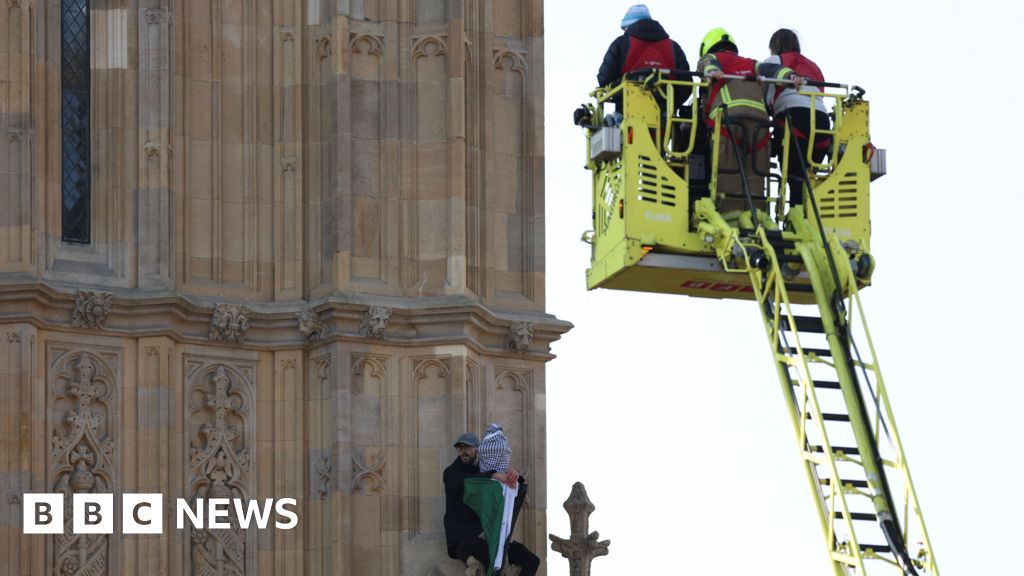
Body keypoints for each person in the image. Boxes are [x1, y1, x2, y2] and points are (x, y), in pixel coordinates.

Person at [697, 27, 797, 214]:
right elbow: (771, 70)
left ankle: (732, 217)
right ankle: (757, 216)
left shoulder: (712, 58)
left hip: (728, 123)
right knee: (755, 176)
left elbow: (707, 65)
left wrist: (713, 71)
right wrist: (790, 76)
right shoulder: (751, 63)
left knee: (729, 175)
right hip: (760, 124)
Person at [444, 432, 539, 576]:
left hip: (490, 535)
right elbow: (469, 481)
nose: (463, 451)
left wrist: (514, 473)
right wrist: (494, 475)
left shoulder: (486, 471)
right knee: (493, 561)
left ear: (478, 449)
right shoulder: (451, 473)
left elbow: (514, 484)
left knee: (531, 561)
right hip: (464, 538)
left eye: (467, 447)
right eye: (460, 448)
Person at [763, 28, 832, 206]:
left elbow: (764, 98)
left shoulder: (774, 62)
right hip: (822, 123)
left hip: (794, 118)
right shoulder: (814, 67)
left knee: (794, 174)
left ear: (774, 46)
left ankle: (795, 215)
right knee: (807, 176)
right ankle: (804, 214)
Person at [597, 4, 692, 110]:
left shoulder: (621, 43)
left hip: (628, 116)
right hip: (666, 118)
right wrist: (672, 104)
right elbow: (686, 85)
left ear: (629, 25)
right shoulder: (674, 47)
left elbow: (605, 79)